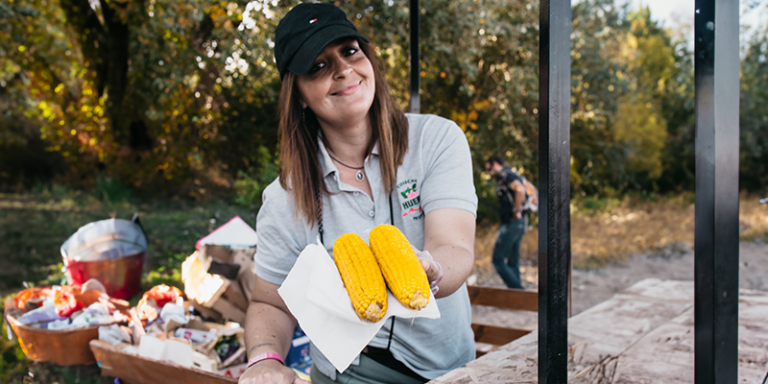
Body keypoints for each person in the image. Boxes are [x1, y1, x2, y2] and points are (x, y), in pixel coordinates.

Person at [238, 3, 478, 384]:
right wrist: (264, 360)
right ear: (298, 94)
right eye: (317, 66)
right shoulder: (284, 198)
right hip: (348, 375)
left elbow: (456, 248)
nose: (343, 69)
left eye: (350, 51)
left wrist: (430, 269)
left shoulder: (436, 140)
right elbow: (270, 301)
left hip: (447, 370)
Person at [484, 155, 527, 290]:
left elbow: (520, 190)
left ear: (495, 163)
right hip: (521, 221)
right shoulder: (511, 174)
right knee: (513, 261)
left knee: (498, 260)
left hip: (512, 222)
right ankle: (519, 297)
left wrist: (515, 210)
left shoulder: (505, 175)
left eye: (489, 169)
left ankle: (518, 290)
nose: (489, 173)